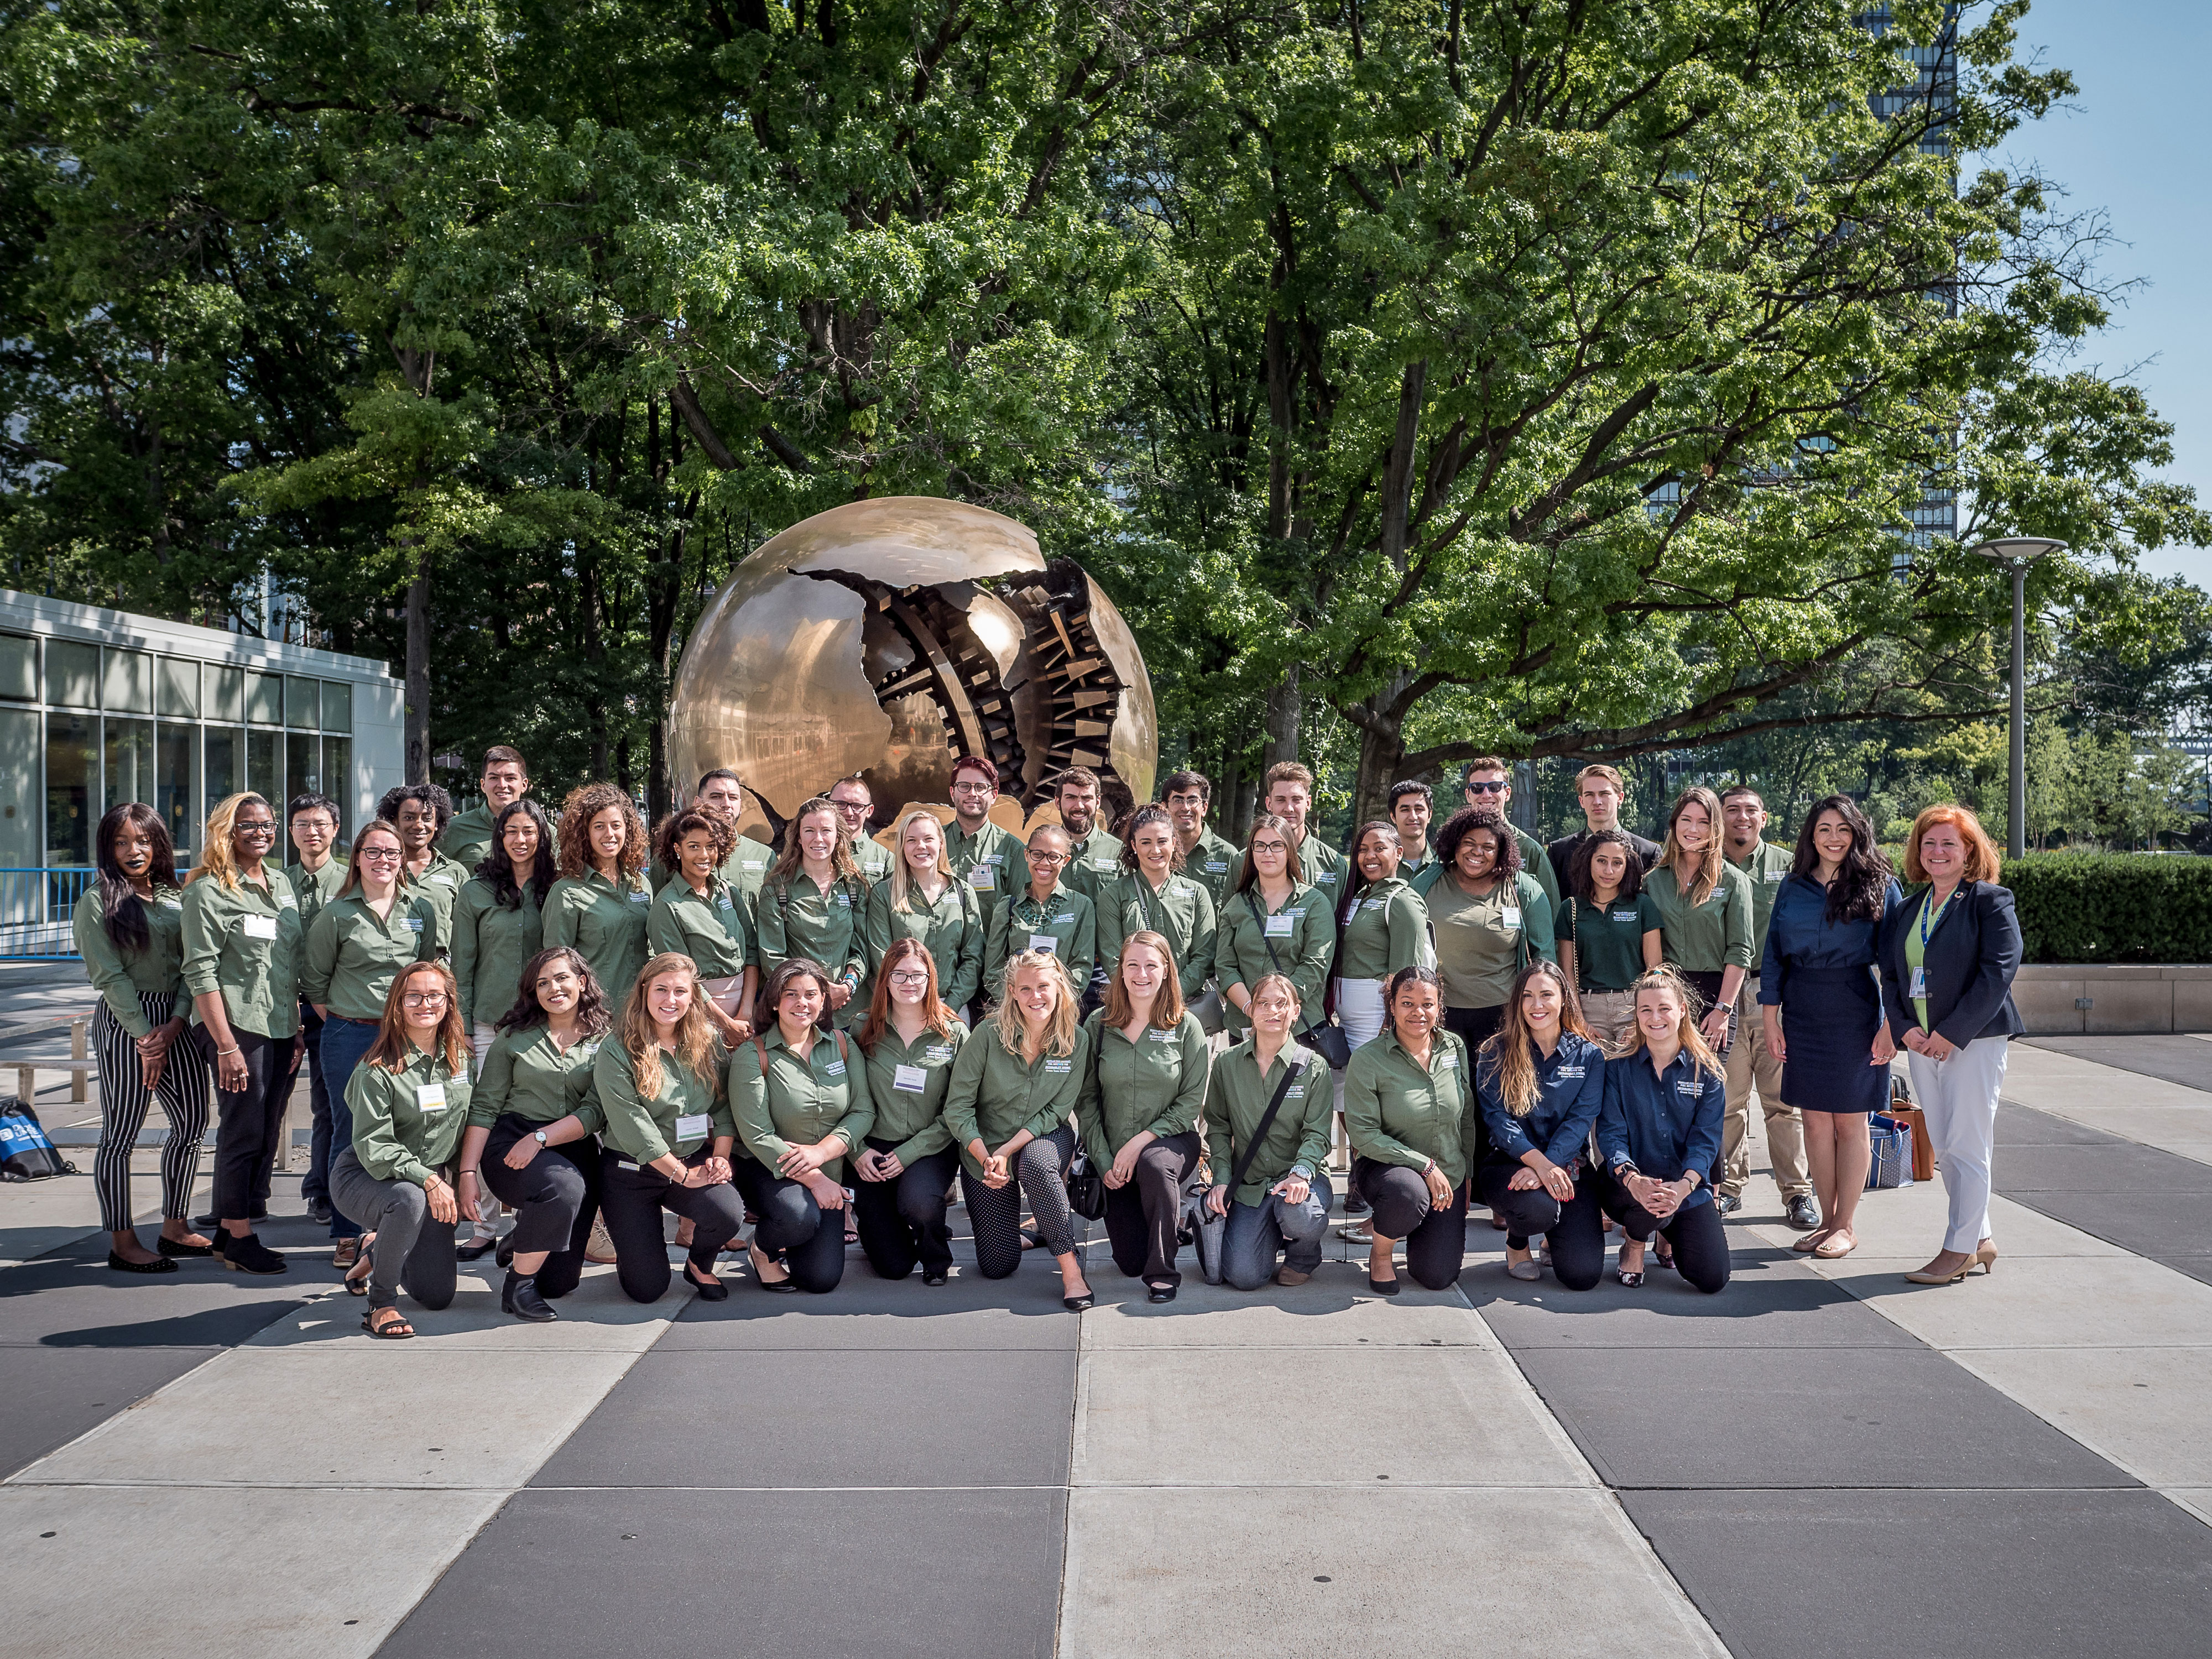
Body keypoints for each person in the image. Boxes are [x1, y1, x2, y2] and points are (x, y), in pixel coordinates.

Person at [1877, 804, 2024, 1287]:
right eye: (1929, 843)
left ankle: (1957, 1249)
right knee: (1944, 1143)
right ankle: (1980, 1237)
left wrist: (1950, 1033)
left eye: (1949, 844)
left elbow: (1997, 974)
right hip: (1921, 1044)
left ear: (1969, 852)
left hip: (1973, 1042)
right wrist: (1905, 1029)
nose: (1937, 852)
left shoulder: (1989, 901)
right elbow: (1894, 979)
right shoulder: (1907, 909)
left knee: (1969, 1143)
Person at [1759, 795, 1903, 1261]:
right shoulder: (1793, 886)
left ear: (1857, 832)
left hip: (1856, 1009)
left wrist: (1891, 1027)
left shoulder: (1881, 884)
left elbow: (1896, 964)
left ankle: (1847, 1225)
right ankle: (1825, 1221)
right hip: (1802, 1011)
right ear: (1811, 836)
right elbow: (1774, 954)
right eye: (1824, 829)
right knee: (1816, 1124)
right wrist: (1771, 1017)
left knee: (1851, 1122)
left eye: (1843, 829)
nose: (1834, 838)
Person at [76, 803, 211, 1274]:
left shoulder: (177, 897)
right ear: (107, 848)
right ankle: (123, 1239)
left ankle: (174, 1225)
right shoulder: (97, 901)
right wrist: (145, 1038)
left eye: (143, 840)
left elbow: (189, 967)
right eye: (120, 842)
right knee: (120, 1135)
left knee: (193, 1123)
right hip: (125, 1020)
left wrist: (175, 1024)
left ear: (158, 844)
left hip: (177, 1018)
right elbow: (108, 977)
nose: (133, 851)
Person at [301, 820, 442, 1265]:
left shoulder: (420, 908)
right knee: (351, 1128)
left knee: (406, 1125)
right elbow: (316, 983)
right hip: (350, 1033)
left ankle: (397, 1221)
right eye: (374, 852)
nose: (384, 861)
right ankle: (347, 1232)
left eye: (392, 853)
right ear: (357, 857)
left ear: (403, 860)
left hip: (407, 1034)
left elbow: (430, 966)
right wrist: (352, 1019)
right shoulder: (337, 914)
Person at [180, 792, 303, 1276]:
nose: (262, 832)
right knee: (243, 1129)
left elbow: (285, 962)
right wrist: (227, 1045)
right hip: (234, 1028)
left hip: (276, 1025)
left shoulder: (279, 884)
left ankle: (226, 1233)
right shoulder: (207, 890)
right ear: (227, 830)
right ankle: (239, 1235)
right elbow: (200, 971)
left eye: (268, 824)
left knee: (266, 1130)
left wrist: (292, 1026)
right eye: (249, 825)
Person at [461, 946, 611, 1321]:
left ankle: (526, 1234)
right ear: (533, 992)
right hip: (512, 1142)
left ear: (581, 982)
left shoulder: (606, 1038)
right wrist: (467, 1174)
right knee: (562, 1189)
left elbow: (595, 1111)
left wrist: (542, 1139)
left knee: (559, 1285)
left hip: (573, 1144)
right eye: (542, 983)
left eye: (562, 978)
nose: (553, 988)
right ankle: (517, 1287)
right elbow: (484, 1107)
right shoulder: (513, 1038)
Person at [941, 951, 1095, 1307]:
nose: (1035, 996)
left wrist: (1008, 1151)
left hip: (1044, 1136)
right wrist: (986, 1155)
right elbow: (958, 1108)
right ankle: (1043, 1224)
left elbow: (1058, 1111)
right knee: (998, 1264)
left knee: (1036, 1165)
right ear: (1011, 991)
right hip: (984, 1148)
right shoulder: (987, 1035)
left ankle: (1071, 1270)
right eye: (1025, 989)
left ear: (1059, 988)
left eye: (1044, 986)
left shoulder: (1077, 1040)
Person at [329, 961, 471, 1337]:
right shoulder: (375, 1070)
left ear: (449, 1002)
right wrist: (431, 1181)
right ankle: (380, 1303)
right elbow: (375, 1148)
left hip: (428, 1185)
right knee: (408, 1199)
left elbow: (465, 1124)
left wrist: (465, 1177)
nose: (425, 1003)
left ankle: (377, 1248)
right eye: (413, 996)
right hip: (365, 1178)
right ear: (397, 1004)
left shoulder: (460, 1061)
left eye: (435, 995)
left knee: (437, 1295)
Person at [594, 952, 742, 1302]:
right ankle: (637, 1248)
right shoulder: (616, 1049)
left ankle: (699, 1267)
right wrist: (681, 1175)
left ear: (694, 998)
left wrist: (720, 1157)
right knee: (647, 1289)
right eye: (661, 989)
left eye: (680, 991)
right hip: (631, 1171)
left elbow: (723, 1105)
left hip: (690, 1158)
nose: (670, 1000)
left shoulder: (708, 1042)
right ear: (644, 991)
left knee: (727, 1213)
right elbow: (633, 1125)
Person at [728, 957, 875, 1295]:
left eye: (811, 994)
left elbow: (863, 1110)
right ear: (776, 1001)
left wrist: (823, 1153)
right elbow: (756, 1134)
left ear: (824, 999)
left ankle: (794, 1239)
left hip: (830, 1167)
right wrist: (815, 1177)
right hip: (770, 1169)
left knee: (820, 1279)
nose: (801, 1003)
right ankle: (763, 1250)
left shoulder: (841, 1044)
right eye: (791, 994)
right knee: (797, 1217)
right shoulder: (754, 1054)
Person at [1077, 931, 1208, 1302]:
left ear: (1166, 970)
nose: (1141, 974)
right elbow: (1086, 1102)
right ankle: (1165, 1227)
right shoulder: (1099, 1026)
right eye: (1132, 965)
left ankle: (1164, 1271)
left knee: (1154, 1164)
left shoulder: (1187, 1027)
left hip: (1171, 1141)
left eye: (1151, 965)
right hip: (1113, 1151)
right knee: (1130, 1261)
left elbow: (1188, 1104)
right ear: (1120, 971)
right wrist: (1104, 1160)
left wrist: (1140, 1142)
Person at [1474, 962, 1606, 1290]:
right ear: (1517, 1002)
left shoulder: (1589, 1056)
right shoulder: (1496, 1051)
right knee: (1536, 1210)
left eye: (1547, 995)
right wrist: (1540, 1165)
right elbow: (1498, 1121)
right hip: (1510, 1167)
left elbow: (1580, 1122)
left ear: (1564, 999)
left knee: (1582, 1276)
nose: (1537, 1005)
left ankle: (1553, 1238)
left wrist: (1546, 1168)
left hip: (1568, 1167)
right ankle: (1517, 1244)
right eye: (1528, 996)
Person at [1597, 968, 1729, 1292]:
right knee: (1646, 1209)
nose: (1655, 1018)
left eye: (1664, 1008)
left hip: (1683, 1187)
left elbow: (1706, 1141)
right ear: (1637, 1015)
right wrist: (1633, 1179)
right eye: (1646, 1010)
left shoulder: (1708, 1073)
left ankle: (1667, 1233)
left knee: (1712, 1279)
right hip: (1627, 1186)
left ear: (1682, 1009)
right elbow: (1611, 1134)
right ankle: (1635, 1242)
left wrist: (1684, 1187)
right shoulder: (1617, 1069)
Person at [1345, 967, 1476, 1295]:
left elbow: (1467, 1116)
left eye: (1427, 1004)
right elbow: (1363, 1135)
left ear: (1439, 1006)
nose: (1418, 1012)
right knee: (1407, 1193)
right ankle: (1382, 1252)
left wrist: (1467, 1175)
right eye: (1407, 1003)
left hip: (1448, 1173)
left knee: (1437, 1277)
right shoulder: (1368, 1059)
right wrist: (1424, 1165)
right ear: (1392, 1006)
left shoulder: (1454, 1047)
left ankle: (1415, 1231)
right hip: (1387, 1170)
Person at [1717, 784, 1813, 1224]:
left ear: (1765, 817)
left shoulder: (1788, 866)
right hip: (1721, 995)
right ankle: (1729, 1188)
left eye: (1750, 810)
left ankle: (1797, 1192)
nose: (1742, 817)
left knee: (1782, 1102)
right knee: (1728, 1102)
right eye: (1732, 810)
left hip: (1774, 993)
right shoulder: (1704, 864)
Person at [1204, 973, 1333, 1288]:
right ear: (1251, 1010)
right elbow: (1218, 1128)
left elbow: (1317, 1134)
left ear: (1296, 1011)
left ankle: (1303, 1256)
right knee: (1243, 1277)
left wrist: (1302, 1173)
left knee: (1301, 1215)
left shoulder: (1314, 1067)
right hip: (1251, 1184)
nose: (1272, 1011)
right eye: (1263, 1003)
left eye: (1281, 1004)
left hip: (1301, 1181)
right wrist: (1221, 1180)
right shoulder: (1226, 1064)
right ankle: (1270, 1230)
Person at [851, 939, 968, 1284]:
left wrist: (909, 1152)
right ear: (884, 979)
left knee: (921, 1204)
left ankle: (935, 1256)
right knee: (893, 1267)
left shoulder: (953, 1033)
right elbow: (841, 1099)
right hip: (872, 1149)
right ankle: (885, 1226)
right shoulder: (861, 1029)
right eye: (899, 975)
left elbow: (959, 1108)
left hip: (929, 1145)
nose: (908, 983)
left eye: (918, 975)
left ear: (931, 979)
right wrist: (856, 1151)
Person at [1420, 807, 1555, 1049]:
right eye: (1468, 843)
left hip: (1504, 1016)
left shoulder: (1523, 890)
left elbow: (1544, 956)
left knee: (1497, 1086)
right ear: (1454, 844)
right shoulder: (1428, 883)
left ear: (1501, 851)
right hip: (1439, 1014)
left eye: (1488, 847)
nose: (1477, 852)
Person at [1642, 786, 1752, 1073]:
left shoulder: (1733, 881)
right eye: (1686, 820)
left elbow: (1740, 951)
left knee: (1705, 1090)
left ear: (1715, 828)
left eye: (1704, 822)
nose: (1693, 830)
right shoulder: (1653, 881)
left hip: (1715, 998)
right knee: (1666, 1086)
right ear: (1674, 824)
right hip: (1667, 997)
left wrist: (1723, 1009)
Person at [1212, 812, 1334, 1044]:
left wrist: (1276, 1008)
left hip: (1298, 1027)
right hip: (1245, 1027)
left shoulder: (1314, 903)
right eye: (1260, 846)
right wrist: (1252, 1008)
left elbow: (1316, 965)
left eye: (1277, 845)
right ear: (1251, 851)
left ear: (1290, 851)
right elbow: (1225, 966)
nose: (1268, 853)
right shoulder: (1236, 905)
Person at [755, 795, 873, 1029]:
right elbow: (772, 957)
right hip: (800, 1013)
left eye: (826, 831)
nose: (818, 838)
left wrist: (848, 985)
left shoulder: (854, 886)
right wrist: (816, 991)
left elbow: (861, 947)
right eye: (809, 830)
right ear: (798, 837)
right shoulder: (777, 889)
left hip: (850, 1011)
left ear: (838, 837)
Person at [452, 799, 559, 1055]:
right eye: (511, 831)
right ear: (500, 837)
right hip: (488, 1025)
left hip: (545, 1021)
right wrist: (462, 1026)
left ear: (542, 836)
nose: (519, 840)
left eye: (528, 831)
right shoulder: (474, 891)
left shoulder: (558, 889)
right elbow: (462, 967)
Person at [286, 793, 346, 1227]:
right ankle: (246, 1201)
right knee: (268, 1105)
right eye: (303, 824)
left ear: (335, 829)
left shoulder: (350, 881)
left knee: (327, 1104)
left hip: (331, 1009)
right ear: (291, 832)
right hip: (282, 1008)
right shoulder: (273, 883)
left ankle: (322, 1189)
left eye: (321, 823)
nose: (313, 831)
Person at [648, 804, 759, 1040]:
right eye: (694, 847)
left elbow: (752, 951)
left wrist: (746, 1013)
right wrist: (726, 1023)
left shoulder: (729, 892)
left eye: (711, 846)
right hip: (699, 1018)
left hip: (746, 1016)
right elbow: (681, 978)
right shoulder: (666, 907)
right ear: (678, 849)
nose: (704, 855)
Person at [1093, 805, 1218, 1014]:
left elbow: (1204, 956)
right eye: (1146, 843)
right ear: (1133, 845)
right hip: (1130, 1010)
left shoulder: (1197, 893)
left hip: (1183, 1007)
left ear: (1174, 843)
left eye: (1162, 841)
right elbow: (1112, 958)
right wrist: (1141, 996)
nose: (1155, 850)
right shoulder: (1114, 895)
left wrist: (1173, 993)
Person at [865, 807, 985, 1020]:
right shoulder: (884, 895)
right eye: (912, 840)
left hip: (952, 1010)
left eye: (928, 839)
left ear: (941, 843)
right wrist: (915, 1005)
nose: (921, 846)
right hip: (905, 1009)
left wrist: (953, 1004)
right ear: (902, 847)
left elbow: (973, 957)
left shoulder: (963, 892)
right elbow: (882, 959)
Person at [543, 782, 655, 1004]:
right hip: (596, 1013)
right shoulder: (567, 892)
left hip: (643, 1012)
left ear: (628, 830)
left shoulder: (641, 883)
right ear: (584, 833)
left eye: (616, 825)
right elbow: (556, 966)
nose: (609, 834)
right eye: (599, 826)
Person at [1554, 829, 1662, 1051]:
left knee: (1632, 1078)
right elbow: (1568, 975)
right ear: (1588, 861)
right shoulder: (1571, 908)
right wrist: (1578, 1020)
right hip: (1588, 1007)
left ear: (1628, 866)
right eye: (1601, 861)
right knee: (1595, 1079)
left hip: (1633, 1004)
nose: (1609, 870)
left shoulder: (1642, 906)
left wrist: (1642, 1019)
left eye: (1617, 863)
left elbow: (1655, 970)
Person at [1334, 820, 1433, 1051]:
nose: (1370, 856)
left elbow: (1408, 973)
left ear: (1399, 853)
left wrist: (1391, 1024)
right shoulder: (1357, 896)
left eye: (1379, 848)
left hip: (1376, 1020)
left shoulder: (1403, 900)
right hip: (1345, 1021)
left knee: (1375, 1084)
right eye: (1363, 849)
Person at [983, 823, 1095, 1006]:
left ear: (1065, 861)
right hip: (1013, 1010)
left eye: (1053, 857)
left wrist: (1051, 1004)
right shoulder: (1007, 907)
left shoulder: (1081, 906)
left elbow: (1081, 968)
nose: (1044, 863)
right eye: (1037, 855)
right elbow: (994, 970)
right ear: (1027, 855)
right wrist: (1020, 1004)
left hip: (1061, 1011)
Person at [650, 768, 777, 906]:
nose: (726, 804)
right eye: (716, 797)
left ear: (740, 804)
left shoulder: (764, 857)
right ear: (698, 802)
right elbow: (657, 910)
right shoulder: (671, 855)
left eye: (733, 797)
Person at [1455, 758, 1558, 907]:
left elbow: (1550, 909)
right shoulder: (1453, 847)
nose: (1486, 794)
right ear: (1468, 794)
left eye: (1495, 787)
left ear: (1508, 793)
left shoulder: (1529, 850)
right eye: (1477, 787)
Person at [943, 755, 1031, 924]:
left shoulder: (1012, 850)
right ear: (952, 792)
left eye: (981, 787)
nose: (972, 793)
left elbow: (1020, 915)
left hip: (988, 950)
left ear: (994, 795)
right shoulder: (932, 843)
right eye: (964, 786)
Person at [1261, 761, 1348, 927]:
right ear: (1269, 804)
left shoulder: (1334, 864)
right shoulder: (1245, 860)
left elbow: (1344, 927)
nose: (1289, 808)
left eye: (1296, 800)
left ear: (1308, 803)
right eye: (1280, 800)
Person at [382, 783, 471, 940]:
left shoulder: (455, 872)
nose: (419, 825)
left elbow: (466, 930)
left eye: (427, 818)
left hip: (440, 963)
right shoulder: (381, 867)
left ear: (437, 824)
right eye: (409, 818)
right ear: (395, 822)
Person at [1547, 763, 1662, 881]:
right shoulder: (1558, 853)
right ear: (1581, 801)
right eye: (1590, 795)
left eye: (1604, 794)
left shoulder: (1648, 854)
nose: (1597, 801)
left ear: (1620, 798)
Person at [442, 746, 532, 874]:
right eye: (494, 778)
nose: (502, 785)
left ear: (524, 785)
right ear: (483, 785)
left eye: (510, 778)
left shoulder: (544, 831)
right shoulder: (453, 829)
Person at [1163, 769, 1242, 911]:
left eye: (1193, 800)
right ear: (1165, 807)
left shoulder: (1228, 856)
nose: (1186, 807)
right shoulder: (1156, 853)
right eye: (1178, 800)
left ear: (1204, 808)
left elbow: (1239, 912)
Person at [1051, 766, 1125, 906]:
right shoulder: (1042, 852)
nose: (1079, 806)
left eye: (1086, 798)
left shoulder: (1119, 852)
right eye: (1071, 798)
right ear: (1057, 802)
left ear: (1098, 802)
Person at [825, 773, 894, 882]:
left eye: (857, 806)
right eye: (841, 804)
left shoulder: (885, 860)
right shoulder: (813, 852)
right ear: (829, 806)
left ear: (870, 811)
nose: (849, 812)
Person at [1389, 781, 1437, 883]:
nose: (1413, 817)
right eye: (1405, 810)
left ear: (1429, 816)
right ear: (1393, 817)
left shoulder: (1444, 865)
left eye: (1419, 809)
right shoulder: (1383, 864)